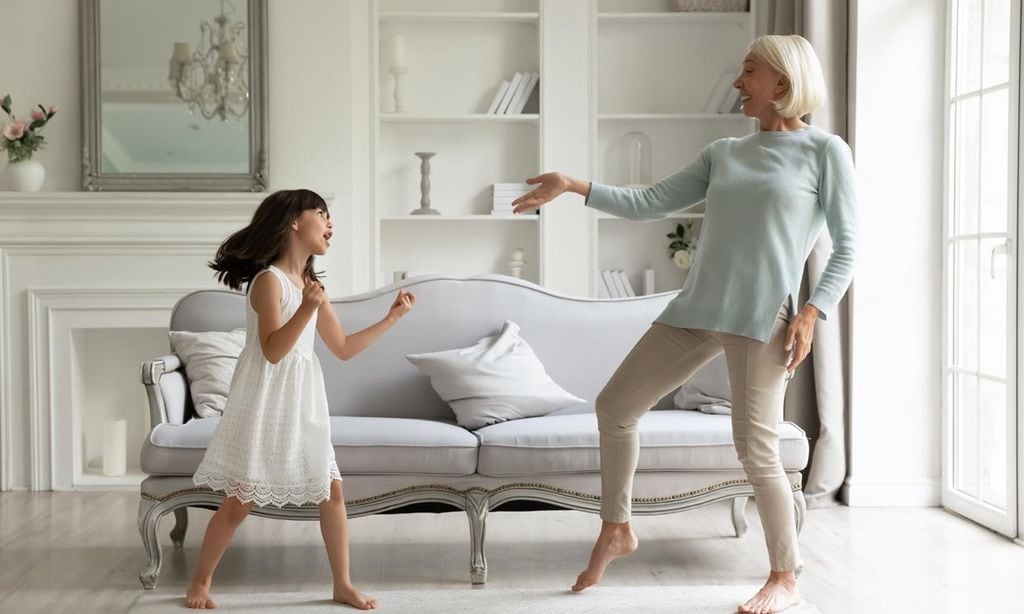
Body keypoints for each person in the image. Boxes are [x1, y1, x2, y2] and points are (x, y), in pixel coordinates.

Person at [511, 35, 856, 614]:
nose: (738, 81)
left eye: (749, 71)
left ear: (783, 81)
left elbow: (847, 247)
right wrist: (574, 186)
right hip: (696, 309)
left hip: (761, 318)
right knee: (615, 407)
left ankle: (785, 576)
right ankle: (618, 527)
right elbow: (649, 201)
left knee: (757, 452)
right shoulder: (723, 151)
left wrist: (812, 311)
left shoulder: (825, 152)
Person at [185, 189, 416, 610]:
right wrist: (306, 310)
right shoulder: (267, 282)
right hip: (264, 400)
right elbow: (273, 350)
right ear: (294, 222)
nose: (330, 224)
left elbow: (343, 347)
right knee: (240, 500)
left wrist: (391, 317)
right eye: (322, 214)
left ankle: (342, 583)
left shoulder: (311, 287)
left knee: (332, 490)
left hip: (302, 400)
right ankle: (199, 582)